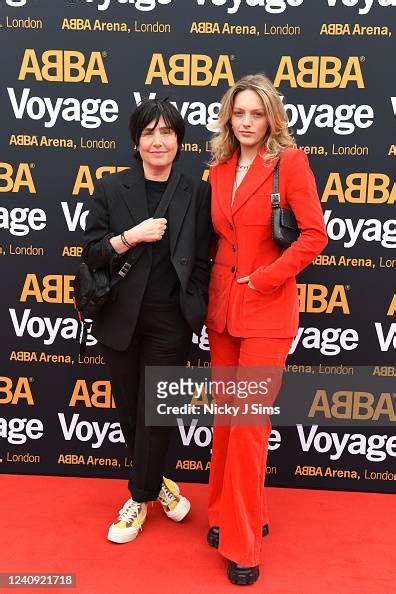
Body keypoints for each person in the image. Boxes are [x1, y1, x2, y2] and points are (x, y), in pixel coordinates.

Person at [205, 74, 328, 585]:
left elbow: (314, 236)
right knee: (227, 423)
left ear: (271, 117)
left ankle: (243, 544)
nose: (248, 122)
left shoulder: (291, 164)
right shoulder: (216, 171)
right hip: (223, 313)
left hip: (268, 311)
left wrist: (267, 278)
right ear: (228, 119)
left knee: (251, 430)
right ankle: (223, 515)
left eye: (257, 114)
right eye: (239, 114)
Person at [82, 98, 212, 544]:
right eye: (149, 133)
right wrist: (129, 237)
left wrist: (190, 302)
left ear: (179, 141)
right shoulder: (111, 188)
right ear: (136, 142)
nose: (158, 141)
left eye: (167, 133)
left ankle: (138, 499)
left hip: (170, 320)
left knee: (157, 414)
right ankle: (160, 486)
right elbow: (91, 253)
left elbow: (202, 257)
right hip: (120, 317)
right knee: (131, 412)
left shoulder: (196, 191)